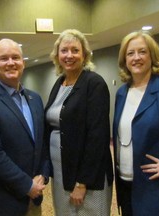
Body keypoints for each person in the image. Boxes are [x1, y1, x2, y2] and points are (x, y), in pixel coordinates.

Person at [0, 38, 50, 216]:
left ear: (23, 62)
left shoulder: (35, 99)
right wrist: (27, 185)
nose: (11, 63)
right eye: (4, 58)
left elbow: (42, 143)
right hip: (2, 202)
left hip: (33, 199)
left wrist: (43, 176)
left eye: (15, 57)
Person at [44, 29, 113, 215]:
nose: (69, 55)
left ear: (84, 55)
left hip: (87, 175)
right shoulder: (59, 84)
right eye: (64, 50)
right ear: (57, 55)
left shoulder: (94, 84)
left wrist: (83, 183)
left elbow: (97, 137)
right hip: (61, 172)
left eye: (75, 50)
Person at [113, 30, 159, 216]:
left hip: (156, 187)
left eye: (142, 52)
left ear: (152, 56)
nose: (136, 58)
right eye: (130, 53)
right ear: (125, 60)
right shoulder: (122, 93)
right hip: (125, 185)